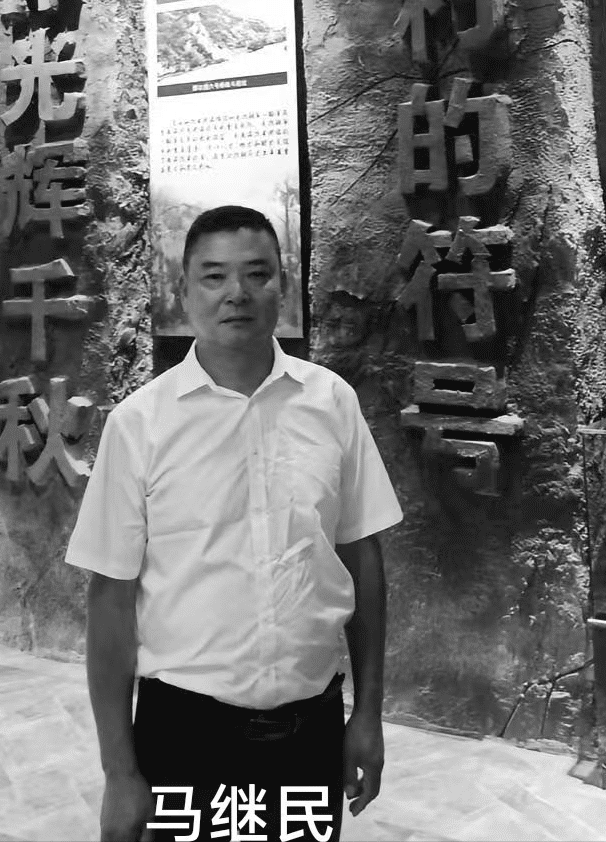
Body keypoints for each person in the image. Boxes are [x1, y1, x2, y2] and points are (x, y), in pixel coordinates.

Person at [66, 204, 403, 842]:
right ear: (183, 291)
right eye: (214, 276)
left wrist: (368, 714)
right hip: (184, 738)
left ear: (284, 284)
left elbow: (361, 557)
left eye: (257, 274)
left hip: (310, 733)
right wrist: (119, 771)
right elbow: (110, 599)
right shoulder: (139, 424)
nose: (237, 293)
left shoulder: (331, 402)